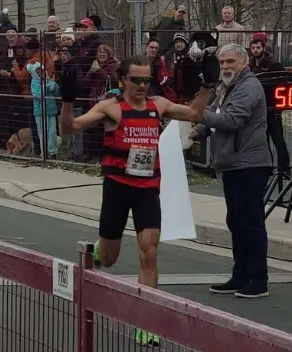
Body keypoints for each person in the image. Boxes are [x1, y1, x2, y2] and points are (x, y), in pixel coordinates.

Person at [58, 54, 219, 346]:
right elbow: (68, 128)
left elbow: (195, 114)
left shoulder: (158, 105)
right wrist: (67, 100)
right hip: (117, 189)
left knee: (150, 250)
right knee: (109, 258)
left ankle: (147, 322)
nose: (143, 85)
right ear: (124, 80)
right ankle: (97, 250)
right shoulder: (111, 108)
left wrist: (207, 85)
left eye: (147, 80)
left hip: (147, 189)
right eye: (137, 80)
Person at [188, 44, 274, 299]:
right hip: (232, 164)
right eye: (222, 62)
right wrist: (196, 131)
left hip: (250, 164)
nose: (225, 66)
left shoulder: (249, 87)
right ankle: (240, 275)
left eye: (230, 62)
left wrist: (196, 115)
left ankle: (258, 280)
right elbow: (216, 113)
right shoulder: (225, 87)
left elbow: (231, 120)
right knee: (236, 222)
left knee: (250, 222)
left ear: (244, 63)